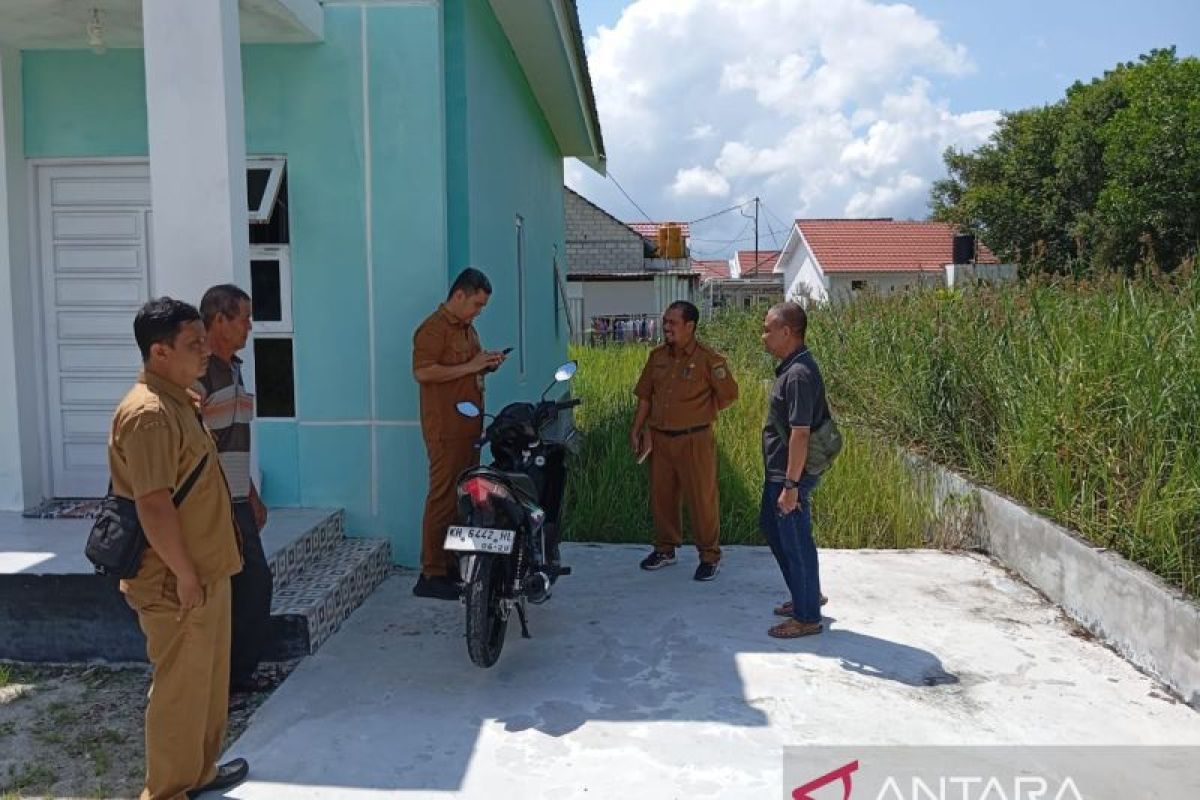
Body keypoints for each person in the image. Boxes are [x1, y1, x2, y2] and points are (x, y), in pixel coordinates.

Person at [109, 297, 249, 799]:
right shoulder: (147, 414)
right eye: (194, 344)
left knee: (208, 685)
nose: (205, 352)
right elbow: (153, 505)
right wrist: (185, 574)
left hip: (206, 570)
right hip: (174, 579)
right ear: (159, 352)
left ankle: (200, 772)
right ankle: (167, 790)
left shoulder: (179, 400)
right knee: (178, 691)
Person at [412, 268, 507, 599]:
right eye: (476, 304)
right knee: (442, 498)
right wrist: (470, 366)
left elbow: (466, 370)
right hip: (446, 431)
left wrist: (487, 364)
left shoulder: (469, 331)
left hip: (469, 429)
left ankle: (453, 563)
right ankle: (432, 572)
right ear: (459, 296)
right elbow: (423, 371)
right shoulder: (433, 330)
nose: (478, 311)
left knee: (462, 498)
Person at [197, 284, 273, 695]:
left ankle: (237, 675)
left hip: (239, 498)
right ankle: (223, 680)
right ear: (219, 320)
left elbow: (235, 441)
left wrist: (253, 495)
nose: (249, 326)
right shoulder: (199, 373)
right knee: (243, 585)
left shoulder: (236, 367)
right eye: (243, 318)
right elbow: (195, 446)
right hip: (213, 505)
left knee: (253, 585)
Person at [630, 300, 738, 581]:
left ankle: (709, 556)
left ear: (690, 326)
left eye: (673, 323)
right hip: (660, 440)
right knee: (662, 497)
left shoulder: (709, 360)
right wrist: (638, 427)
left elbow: (728, 395)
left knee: (701, 499)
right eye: (665, 322)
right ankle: (665, 549)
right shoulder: (657, 357)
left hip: (694, 440)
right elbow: (645, 395)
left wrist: (698, 414)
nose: (666, 327)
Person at [759, 301, 829, 638]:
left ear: (787, 332)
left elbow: (800, 433)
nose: (764, 336)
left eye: (768, 329)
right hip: (781, 472)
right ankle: (805, 594)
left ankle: (807, 616)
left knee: (795, 540)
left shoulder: (799, 375)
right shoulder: (793, 368)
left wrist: (791, 485)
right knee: (775, 529)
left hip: (789, 475)